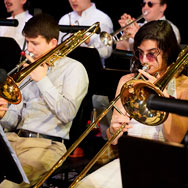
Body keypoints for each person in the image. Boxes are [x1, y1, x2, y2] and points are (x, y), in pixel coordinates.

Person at [75, 20, 188, 188]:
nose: (144, 60)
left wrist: (164, 98)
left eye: (151, 53)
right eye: (140, 53)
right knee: (84, 185)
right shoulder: (128, 81)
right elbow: (113, 141)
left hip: (165, 165)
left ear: (167, 51)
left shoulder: (184, 85)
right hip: (130, 160)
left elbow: (175, 138)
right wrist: (114, 130)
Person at [0, 13, 89, 188]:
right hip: (13, 139)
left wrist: (42, 80)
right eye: (28, 42)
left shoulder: (74, 69)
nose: (29, 49)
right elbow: (14, 120)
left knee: (7, 186)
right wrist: (3, 114)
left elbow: (67, 114)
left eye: (35, 43)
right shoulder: (27, 69)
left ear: (53, 43)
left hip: (46, 145)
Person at [59, 0, 114, 142]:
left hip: (92, 74)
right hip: (66, 71)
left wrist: (89, 42)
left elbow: (106, 51)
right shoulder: (65, 19)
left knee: (93, 100)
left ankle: (97, 142)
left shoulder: (102, 18)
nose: (73, 1)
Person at [116, 0, 181, 51]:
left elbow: (162, 52)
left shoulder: (171, 28)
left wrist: (139, 35)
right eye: (143, 4)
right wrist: (125, 32)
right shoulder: (138, 26)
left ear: (163, 7)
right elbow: (121, 51)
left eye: (150, 4)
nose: (145, 7)